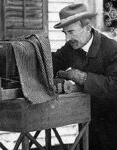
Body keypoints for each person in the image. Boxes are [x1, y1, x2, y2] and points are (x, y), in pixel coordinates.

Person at [52, 3, 117, 150]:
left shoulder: (112, 50)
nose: (67, 38)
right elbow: (52, 64)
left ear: (88, 28)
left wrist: (83, 77)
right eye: (65, 33)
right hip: (89, 124)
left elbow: (115, 86)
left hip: (113, 126)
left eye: (71, 32)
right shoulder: (71, 47)